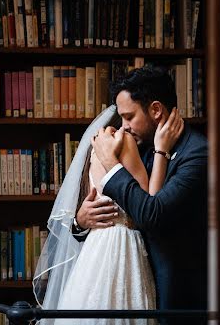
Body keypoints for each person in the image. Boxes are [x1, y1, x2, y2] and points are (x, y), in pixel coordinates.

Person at [33, 98, 184, 325]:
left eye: (130, 118)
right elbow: (148, 201)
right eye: (125, 118)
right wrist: (162, 151)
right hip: (120, 245)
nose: (126, 126)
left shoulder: (98, 147)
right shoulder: (123, 142)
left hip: (97, 248)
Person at [87, 66, 208, 315]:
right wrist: (81, 220)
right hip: (131, 285)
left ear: (155, 110)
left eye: (129, 117)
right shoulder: (138, 145)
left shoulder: (198, 153)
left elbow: (152, 214)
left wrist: (111, 165)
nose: (124, 126)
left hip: (177, 296)